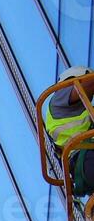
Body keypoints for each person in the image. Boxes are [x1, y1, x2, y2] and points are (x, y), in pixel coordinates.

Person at [45, 66, 94, 198]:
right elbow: (89, 84)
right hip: (86, 160)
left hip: (85, 166)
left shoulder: (86, 111)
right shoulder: (59, 98)